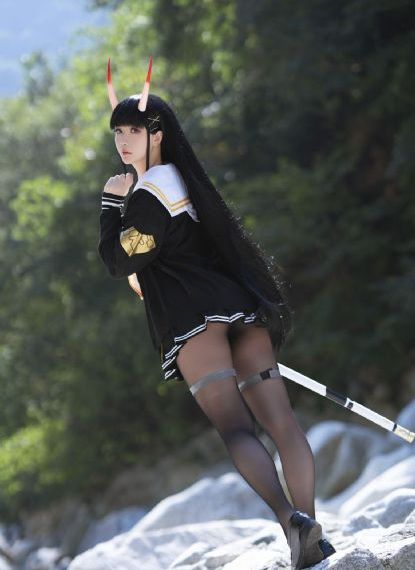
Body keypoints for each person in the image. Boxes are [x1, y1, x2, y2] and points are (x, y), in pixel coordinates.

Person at [98, 57, 335, 570]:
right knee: (282, 422)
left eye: (134, 130)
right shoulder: (188, 181)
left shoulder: (151, 191)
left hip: (195, 323)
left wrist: (110, 206)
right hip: (239, 312)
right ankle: (313, 530)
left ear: (158, 134)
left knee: (237, 430)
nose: (123, 141)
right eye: (118, 132)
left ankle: (291, 522)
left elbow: (121, 260)